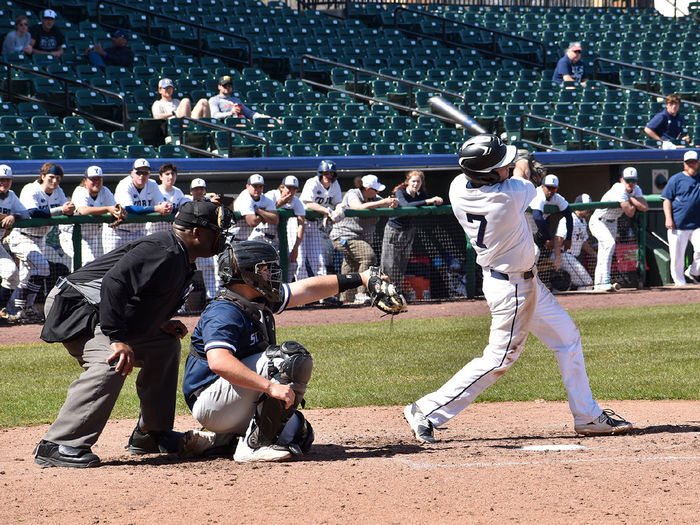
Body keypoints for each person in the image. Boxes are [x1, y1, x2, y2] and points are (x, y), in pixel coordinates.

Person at [403, 134, 633, 444]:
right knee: (499, 359)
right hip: (512, 289)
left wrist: (501, 160)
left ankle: (588, 415)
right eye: (502, 165)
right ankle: (427, 410)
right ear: (487, 174)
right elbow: (524, 178)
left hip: (521, 280)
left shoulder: (458, 187)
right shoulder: (509, 195)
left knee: (567, 337)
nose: (508, 167)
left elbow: (502, 172)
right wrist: (521, 162)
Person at [33, 200, 232, 468]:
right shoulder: (163, 249)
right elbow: (115, 283)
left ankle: (150, 434)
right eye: (216, 232)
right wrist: (116, 339)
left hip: (97, 308)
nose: (221, 238)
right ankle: (58, 443)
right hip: (75, 306)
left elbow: (140, 296)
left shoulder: (180, 256)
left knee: (164, 346)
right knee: (113, 360)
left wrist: (158, 323)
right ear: (197, 232)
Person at [179, 241, 387, 462]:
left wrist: (362, 278)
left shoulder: (255, 297)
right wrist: (271, 387)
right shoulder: (223, 311)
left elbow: (308, 289)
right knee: (290, 359)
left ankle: (219, 441)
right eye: (265, 269)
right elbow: (219, 362)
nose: (272, 273)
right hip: (210, 398)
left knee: (301, 432)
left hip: (231, 398)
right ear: (247, 273)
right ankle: (254, 447)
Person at [2, 163, 74, 324]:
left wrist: (68, 208)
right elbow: (32, 213)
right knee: (43, 267)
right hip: (23, 236)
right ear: (43, 176)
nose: (54, 181)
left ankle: (16, 311)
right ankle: (25, 308)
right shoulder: (30, 189)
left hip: (40, 238)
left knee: (25, 278)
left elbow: (67, 208)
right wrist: (60, 210)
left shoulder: (59, 192)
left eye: (58, 178)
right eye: (51, 177)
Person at [330, 174, 398, 304]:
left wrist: (393, 203)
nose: (378, 193)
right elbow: (357, 207)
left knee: (350, 265)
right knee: (368, 256)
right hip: (344, 236)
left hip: (360, 239)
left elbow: (388, 205)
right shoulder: (353, 193)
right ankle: (361, 293)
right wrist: (383, 202)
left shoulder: (375, 198)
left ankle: (346, 299)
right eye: (375, 189)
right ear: (367, 188)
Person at [380, 170, 442, 294]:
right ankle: (383, 292)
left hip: (408, 231)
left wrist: (437, 201)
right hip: (394, 230)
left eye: (418, 181)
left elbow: (429, 201)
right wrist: (429, 201)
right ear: (408, 181)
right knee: (389, 264)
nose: (415, 184)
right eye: (413, 181)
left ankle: (396, 292)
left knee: (402, 263)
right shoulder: (400, 191)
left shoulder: (421, 194)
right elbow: (406, 205)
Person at [589, 167, 648, 291]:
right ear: (622, 180)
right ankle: (605, 281)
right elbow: (630, 212)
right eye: (628, 180)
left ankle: (598, 284)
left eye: (633, 180)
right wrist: (633, 199)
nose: (631, 183)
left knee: (606, 253)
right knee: (609, 245)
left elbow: (644, 207)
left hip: (613, 222)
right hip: (599, 220)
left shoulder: (636, 189)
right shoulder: (618, 188)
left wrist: (631, 198)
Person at [109, 159, 172, 251]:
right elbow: (129, 209)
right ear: (132, 173)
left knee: (139, 263)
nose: (142, 175)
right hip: (118, 232)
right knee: (113, 263)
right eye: (138, 172)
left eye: (145, 172)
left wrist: (167, 207)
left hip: (138, 232)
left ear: (149, 174)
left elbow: (161, 204)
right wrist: (156, 208)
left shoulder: (152, 184)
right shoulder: (124, 184)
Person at [298, 160, 343, 282]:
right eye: (325, 173)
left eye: (331, 174)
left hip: (314, 225)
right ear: (320, 173)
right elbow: (308, 204)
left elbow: (338, 202)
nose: (328, 176)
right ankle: (298, 295)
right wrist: (328, 211)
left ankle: (323, 294)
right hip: (299, 222)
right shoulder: (312, 182)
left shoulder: (335, 184)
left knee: (319, 260)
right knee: (299, 261)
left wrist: (339, 210)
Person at [661, 150, 700, 285]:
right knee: (677, 257)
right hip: (678, 223)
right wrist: (668, 218)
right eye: (688, 162)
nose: (691, 165)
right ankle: (680, 284)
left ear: (698, 163)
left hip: (697, 224)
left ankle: (693, 271)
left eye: (693, 162)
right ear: (684, 164)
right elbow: (666, 200)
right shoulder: (676, 179)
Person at [71, 165, 124, 265]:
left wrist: (119, 212)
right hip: (73, 234)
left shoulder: (104, 191)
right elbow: (83, 210)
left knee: (92, 265)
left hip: (91, 235)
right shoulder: (80, 191)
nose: (96, 182)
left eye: (99, 179)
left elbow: (115, 208)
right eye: (93, 179)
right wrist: (108, 209)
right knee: (86, 262)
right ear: (85, 181)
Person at [263, 175, 306, 281]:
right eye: (289, 188)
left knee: (292, 264)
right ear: (282, 187)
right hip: (261, 235)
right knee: (261, 267)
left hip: (277, 240)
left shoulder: (296, 201)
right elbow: (262, 215)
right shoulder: (271, 195)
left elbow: (301, 223)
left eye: (294, 189)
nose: (291, 192)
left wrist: (295, 248)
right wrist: (278, 204)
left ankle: (283, 290)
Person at [0, 165, 29, 316]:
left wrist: (13, 216)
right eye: (1, 179)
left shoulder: (11, 195)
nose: (4, 182)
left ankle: (0, 308)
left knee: (12, 274)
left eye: (7, 180)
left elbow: (25, 214)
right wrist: (6, 216)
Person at [552, 193, 596, 290]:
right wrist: (558, 258)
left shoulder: (583, 221)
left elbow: (583, 242)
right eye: (586, 207)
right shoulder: (568, 219)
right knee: (587, 283)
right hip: (564, 255)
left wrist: (594, 254)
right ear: (579, 206)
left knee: (564, 287)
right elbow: (558, 239)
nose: (589, 209)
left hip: (571, 257)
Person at [189, 178, 220, 301]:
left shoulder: (210, 201)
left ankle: (211, 297)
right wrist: (209, 202)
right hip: (189, 243)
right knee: (185, 272)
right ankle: (183, 304)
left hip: (204, 242)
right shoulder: (185, 200)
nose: (199, 191)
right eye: (196, 189)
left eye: (201, 189)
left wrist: (216, 203)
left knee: (210, 267)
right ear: (191, 191)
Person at [529, 174, 573, 257]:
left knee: (536, 253)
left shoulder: (556, 197)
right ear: (542, 186)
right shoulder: (538, 195)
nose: (551, 191)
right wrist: (548, 238)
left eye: (554, 188)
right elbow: (537, 218)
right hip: (522, 228)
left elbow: (569, 215)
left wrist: (569, 238)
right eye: (548, 187)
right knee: (534, 253)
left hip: (533, 231)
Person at [208, 75, 280, 124]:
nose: (227, 87)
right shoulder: (214, 100)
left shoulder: (236, 100)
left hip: (242, 123)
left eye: (229, 85)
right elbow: (214, 116)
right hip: (228, 125)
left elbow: (250, 113)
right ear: (219, 87)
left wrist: (267, 118)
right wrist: (231, 113)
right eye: (224, 85)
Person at [230, 174, 278, 242]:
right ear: (247, 186)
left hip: (243, 239)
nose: (258, 189)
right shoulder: (244, 197)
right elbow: (252, 222)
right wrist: (265, 216)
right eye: (255, 186)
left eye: (260, 186)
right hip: (229, 238)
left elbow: (275, 219)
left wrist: (259, 211)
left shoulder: (264, 198)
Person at [152, 162, 187, 234]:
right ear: (160, 177)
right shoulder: (155, 190)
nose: (170, 177)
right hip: (154, 231)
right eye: (167, 174)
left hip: (171, 231)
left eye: (173, 174)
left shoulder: (178, 192)